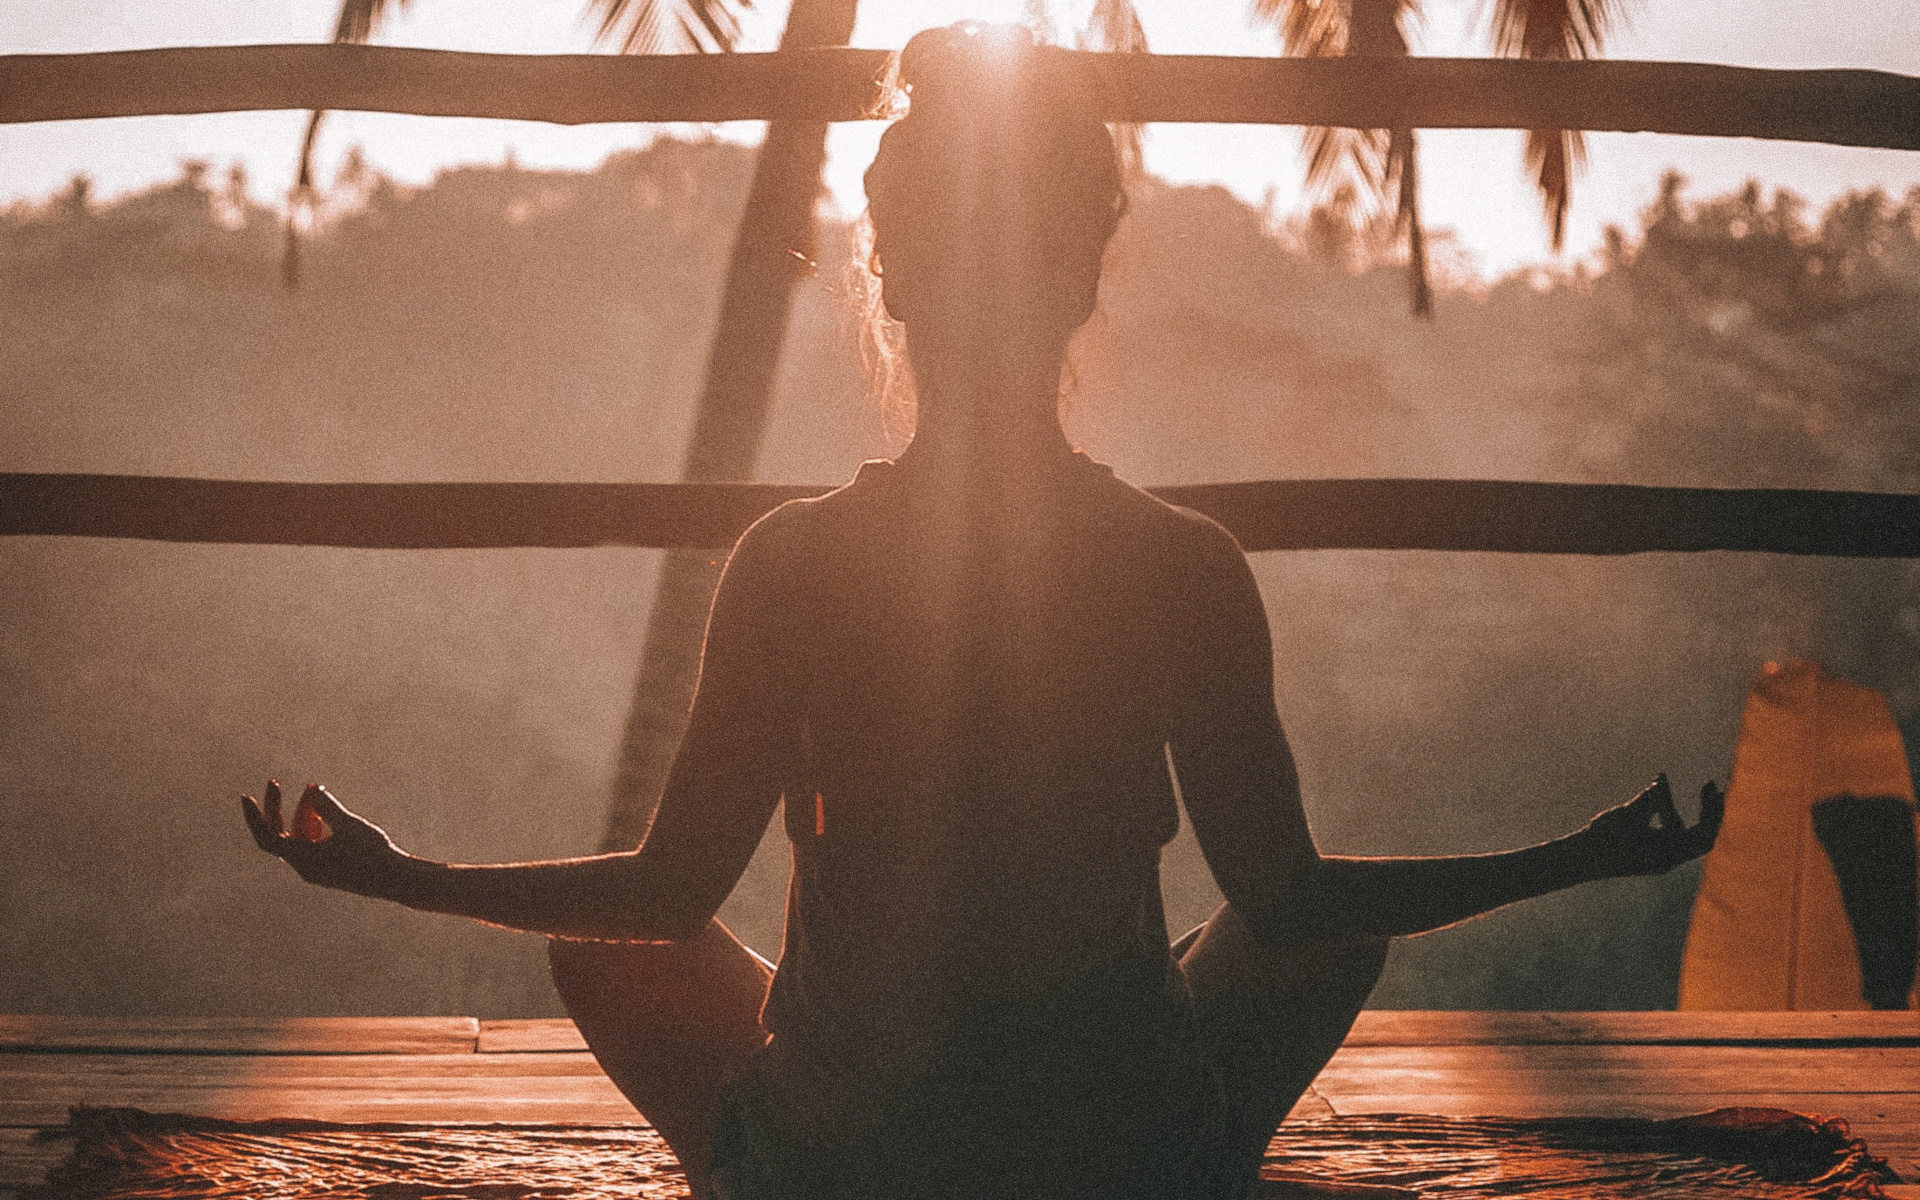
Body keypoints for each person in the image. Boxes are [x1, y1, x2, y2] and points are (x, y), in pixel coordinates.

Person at [241, 23, 1724, 1200]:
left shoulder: (795, 561)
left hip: (854, 1164)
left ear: (890, 284)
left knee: (602, 949)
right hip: (1115, 1158)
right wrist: (1582, 856)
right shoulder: (1182, 564)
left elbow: (664, 896)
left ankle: (762, 1172)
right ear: (1082, 281)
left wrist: (401, 872)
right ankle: (1195, 1161)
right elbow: (1292, 901)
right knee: (1322, 935)